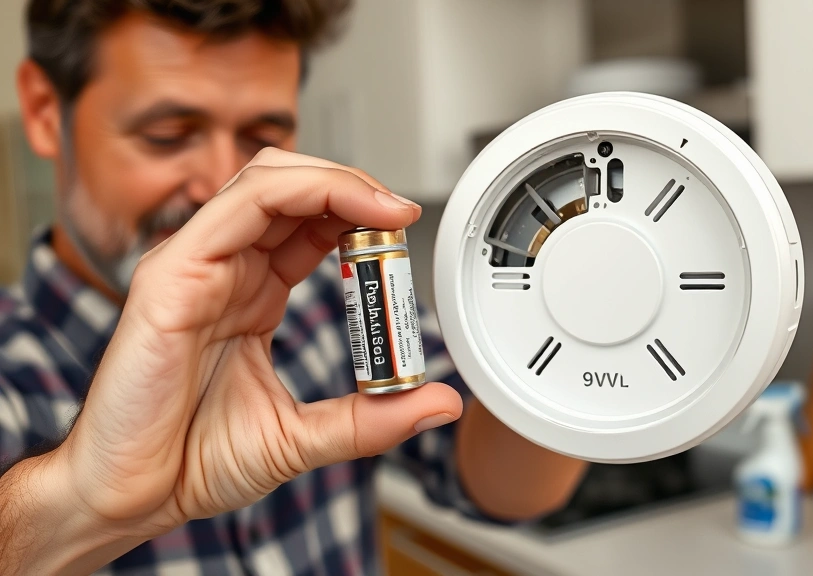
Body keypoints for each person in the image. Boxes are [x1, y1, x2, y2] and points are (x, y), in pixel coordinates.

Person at [0, 1, 589, 574]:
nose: (217, 185)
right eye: (168, 133)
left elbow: (493, 480)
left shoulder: (328, 295)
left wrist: (573, 329)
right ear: (46, 110)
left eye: (260, 136)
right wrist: (83, 500)